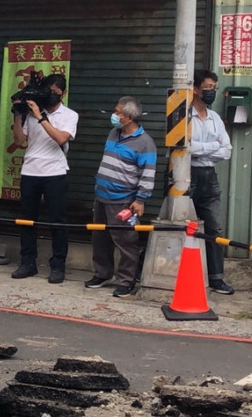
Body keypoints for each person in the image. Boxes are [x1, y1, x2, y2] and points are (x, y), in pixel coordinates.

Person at [10, 72, 77, 283]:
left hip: (54, 173)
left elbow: (60, 137)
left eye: (56, 92)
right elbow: (20, 141)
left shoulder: (69, 115)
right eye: (49, 92)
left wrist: (41, 116)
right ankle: (27, 262)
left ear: (63, 93)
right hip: (30, 171)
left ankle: (58, 266)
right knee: (27, 220)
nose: (52, 96)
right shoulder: (32, 113)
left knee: (58, 221)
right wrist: (18, 113)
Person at [86, 96, 157, 298]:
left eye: (117, 112)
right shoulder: (113, 133)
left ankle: (126, 280)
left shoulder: (145, 143)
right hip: (101, 196)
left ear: (129, 117)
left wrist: (140, 200)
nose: (114, 115)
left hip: (123, 200)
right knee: (99, 238)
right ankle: (102, 273)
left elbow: (148, 173)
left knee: (126, 242)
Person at [189, 70, 235, 295]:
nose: (211, 92)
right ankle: (148, 269)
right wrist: (211, 148)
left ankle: (216, 279)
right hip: (187, 177)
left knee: (214, 227)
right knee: (178, 225)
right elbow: (187, 148)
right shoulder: (183, 115)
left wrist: (202, 150)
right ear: (195, 89)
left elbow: (227, 150)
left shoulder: (215, 118)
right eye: (207, 87)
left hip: (210, 177)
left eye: (214, 88)